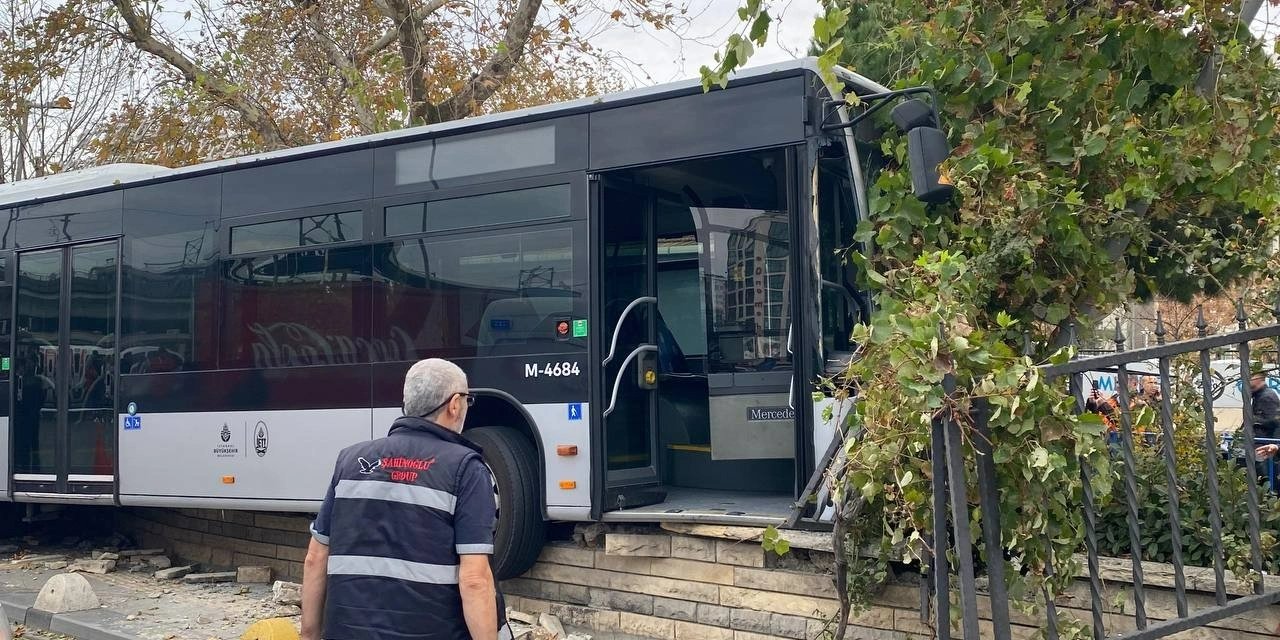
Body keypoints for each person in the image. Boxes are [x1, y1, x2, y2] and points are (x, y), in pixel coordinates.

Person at [301, 358, 510, 640]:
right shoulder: (465, 469)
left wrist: (308, 635)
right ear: (455, 404)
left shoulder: (350, 461)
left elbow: (316, 558)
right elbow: (474, 580)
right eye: (468, 401)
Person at [1249, 370, 1280, 460]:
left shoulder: (1266, 397)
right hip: (1262, 446)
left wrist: (1255, 420)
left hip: (1265, 447)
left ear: (1260, 378)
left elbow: (1275, 422)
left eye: (1252, 376)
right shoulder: (1258, 395)